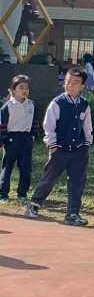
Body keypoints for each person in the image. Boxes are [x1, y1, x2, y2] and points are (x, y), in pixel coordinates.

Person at [24, 67, 93, 225]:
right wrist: (52, 144)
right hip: (60, 149)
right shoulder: (58, 103)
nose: (70, 85)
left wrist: (87, 143)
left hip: (79, 150)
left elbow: (87, 126)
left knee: (77, 182)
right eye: (68, 81)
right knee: (50, 177)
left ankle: (72, 213)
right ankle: (34, 204)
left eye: (75, 83)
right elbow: (49, 125)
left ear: (82, 86)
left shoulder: (84, 104)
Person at [0, 75, 39, 203]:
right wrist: (5, 140)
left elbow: (35, 122)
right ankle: (3, 194)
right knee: (7, 167)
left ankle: (22, 194)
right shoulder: (8, 106)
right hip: (11, 139)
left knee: (26, 168)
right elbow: (3, 125)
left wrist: (32, 135)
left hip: (25, 139)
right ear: (13, 90)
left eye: (26, 88)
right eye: (21, 88)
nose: (24, 90)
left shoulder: (31, 105)